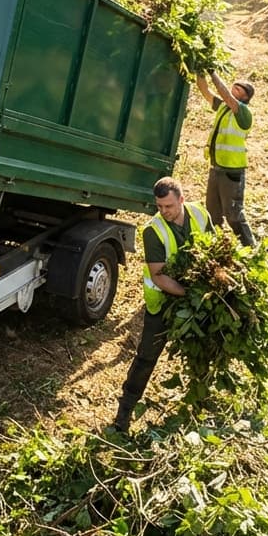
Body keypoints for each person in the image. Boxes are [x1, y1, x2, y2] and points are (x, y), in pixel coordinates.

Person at [110, 177, 213, 431]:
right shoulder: (153, 231)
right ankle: (124, 414)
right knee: (146, 357)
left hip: (197, 298)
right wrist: (189, 294)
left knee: (202, 348)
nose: (164, 211)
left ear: (181, 199)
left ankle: (200, 402)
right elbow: (159, 275)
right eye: (159, 206)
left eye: (168, 206)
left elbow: (212, 251)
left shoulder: (199, 214)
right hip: (163, 303)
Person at [196, 71, 256, 247]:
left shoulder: (243, 113)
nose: (234, 89)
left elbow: (225, 94)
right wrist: (200, 69)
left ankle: (250, 249)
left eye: (240, 89)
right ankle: (215, 248)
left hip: (232, 171)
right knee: (212, 213)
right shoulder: (223, 107)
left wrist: (212, 73)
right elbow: (204, 89)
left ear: (246, 97)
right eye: (234, 86)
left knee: (233, 215)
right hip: (217, 167)